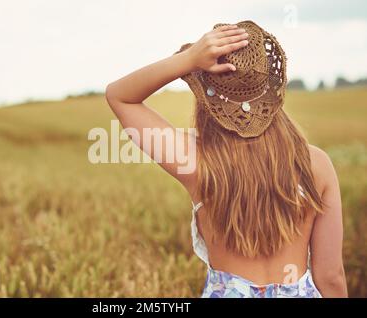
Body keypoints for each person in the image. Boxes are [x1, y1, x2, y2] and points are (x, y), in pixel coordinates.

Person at [105, 20, 347, 298]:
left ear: (206, 99)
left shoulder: (196, 162)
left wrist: (189, 59)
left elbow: (120, 96)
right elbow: (331, 277)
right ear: (271, 90)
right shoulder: (316, 164)